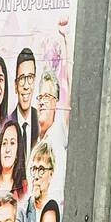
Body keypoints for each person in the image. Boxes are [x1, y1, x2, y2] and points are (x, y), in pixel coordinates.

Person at [15, 140, 57, 222]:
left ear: (51, 174)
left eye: (41, 169)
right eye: (33, 169)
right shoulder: (21, 213)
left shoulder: (57, 214)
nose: (36, 176)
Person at [37, 68, 67, 202]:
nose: (42, 102)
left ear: (56, 102)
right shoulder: (38, 138)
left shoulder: (56, 144)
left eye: (47, 97)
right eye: (40, 97)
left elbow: (56, 195)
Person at [9, 48, 40, 151]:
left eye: (30, 77)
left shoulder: (41, 122)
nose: (26, 86)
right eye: (22, 78)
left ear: (35, 81)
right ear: (15, 85)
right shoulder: (6, 124)